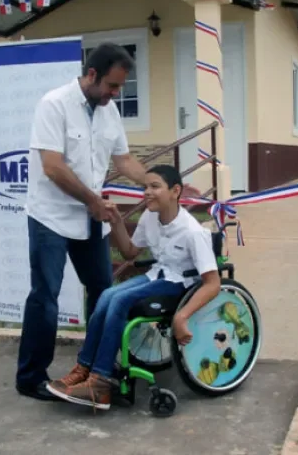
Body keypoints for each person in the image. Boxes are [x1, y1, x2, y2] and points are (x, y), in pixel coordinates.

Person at [16, 43, 149, 401]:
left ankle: (96, 368)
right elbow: (52, 166)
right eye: (112, 85)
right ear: (92, 74)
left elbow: (124, 160)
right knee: (46, 296)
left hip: (91, 216)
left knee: (103, 292)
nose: (115, 93)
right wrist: (92, 200)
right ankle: (30, 378)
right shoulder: (54, 104)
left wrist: (157, 183)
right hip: (51, 216)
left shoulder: (109, 111)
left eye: (120, 86)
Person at [45, 165, 222, 411]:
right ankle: (84, 368)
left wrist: (182, 316)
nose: (147, 192)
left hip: (180, 284)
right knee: (107, 294)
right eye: (145, 187)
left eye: (155, 186)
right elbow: (130, 252)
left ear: (175, 191)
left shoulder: (193, 232)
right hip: (157, 275)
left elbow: (213, 284)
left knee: (119, 300)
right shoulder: (150, 217)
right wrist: (117, 221)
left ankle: (100, 381)